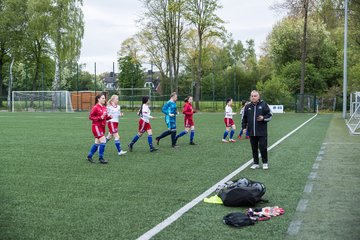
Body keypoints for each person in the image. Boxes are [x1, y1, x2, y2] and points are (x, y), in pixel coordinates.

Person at [242, 90, 272, 170]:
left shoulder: (264, 105)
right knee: (254, 148)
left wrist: (263, 118)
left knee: (263, 147)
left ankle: (265, 163)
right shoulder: (247, 106)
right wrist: (244, 128)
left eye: (255, 96)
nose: (253, 97)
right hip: (251, 132)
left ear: (258, 97)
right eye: (252, 96)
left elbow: (270, 115)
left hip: (262, 132)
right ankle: (256, 163)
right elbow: (244, 118)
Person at [87, 93, 112, 164]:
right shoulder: (95, 107)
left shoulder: (104, 107)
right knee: (103, 141)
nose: (104, 99)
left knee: (97, 143)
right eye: (103, 98)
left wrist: (110, 117)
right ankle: (101, 158)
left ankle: (89, 156)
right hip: (96, 127)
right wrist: (99, 117)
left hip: (102, 127)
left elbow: (105, 117)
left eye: (104, 98)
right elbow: (90, 117)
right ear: (98, 99)